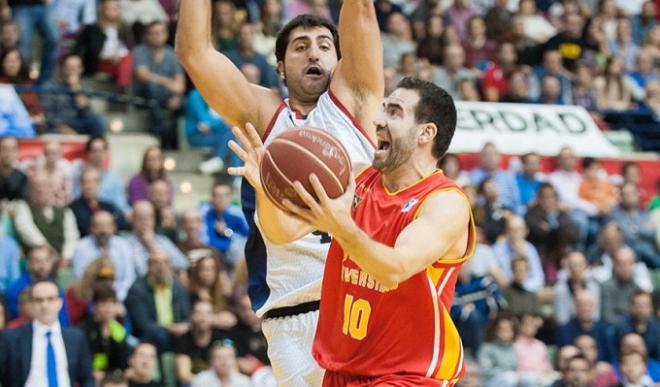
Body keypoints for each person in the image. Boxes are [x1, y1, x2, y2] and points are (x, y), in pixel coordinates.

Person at [177, 0, 384, 380]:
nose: (314, 52)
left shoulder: (357, 101)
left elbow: (362, 11)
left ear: (340, 60)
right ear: (281, 67)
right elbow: (194, 53)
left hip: (362, 304)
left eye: (324, 44)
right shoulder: (262, 114)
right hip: (291, 318)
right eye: (300, 46)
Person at [233, 77, 472, 384]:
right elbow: (282, 232)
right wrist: (266, 187)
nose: (379, 120)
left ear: (425, 133)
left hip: (407, 375)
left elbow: (395, 269)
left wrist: (343, 229)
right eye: (383, 109)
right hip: (342, 372)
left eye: (395, 112)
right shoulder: (357, 179)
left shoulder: (444, 203)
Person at [0, 280, 93, 387]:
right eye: (39, 300)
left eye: (50, 299)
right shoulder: (12, 338)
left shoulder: (76, 338)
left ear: (60, 302)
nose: (45, 305)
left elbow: (87, 378)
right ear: (32, 304)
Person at [124, 249, 191, 353]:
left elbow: (186, 316)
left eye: (165, 263)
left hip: (178, 336)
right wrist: (169, 329)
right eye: (156, 263)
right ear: (148, 266)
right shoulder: (137, 289)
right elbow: (142, 324)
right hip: (149, 337)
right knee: (159, 335)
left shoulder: (179, 289)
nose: (161, 267)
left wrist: (186, 326)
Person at [71, 211, 135, 301]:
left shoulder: (123, 245)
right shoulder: (81, 247)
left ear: (114, 228)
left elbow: (129, 277)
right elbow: (80, 278)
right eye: (98, 226)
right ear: (91, 228)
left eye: (107, 226)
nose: (103, 231)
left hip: (122, 297)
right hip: (91, 298)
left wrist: (117, 298)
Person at [174, 300, 239, 385]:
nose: (203, 317)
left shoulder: (220, 338)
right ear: (191, 316)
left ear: (213, 317)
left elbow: (233, 368)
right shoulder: (183, 340)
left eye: (207, 313)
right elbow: (184, 375)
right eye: (199, 313)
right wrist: (207, 383)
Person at [79, 286, 131, 380]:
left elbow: (122, 363)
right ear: (95, 306)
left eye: (112, 303)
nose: (108, 308)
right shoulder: (83, 330)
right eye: (103, 303)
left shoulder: (120, 330)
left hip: (111, 379)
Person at [69, 167, 127, 237]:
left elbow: (122, 221)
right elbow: (85, 227)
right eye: (86, 182)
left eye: (94, 182)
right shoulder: (74, 208)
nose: (90, 186)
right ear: (80, 185)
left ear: (100, 184)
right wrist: (110, 221)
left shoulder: (108, 205)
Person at [0, 136, 28, 201]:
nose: (8, 153)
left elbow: (22, 201)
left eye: (13, 149)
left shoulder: (22, 177)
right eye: (4, 149)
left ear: (17, 152)